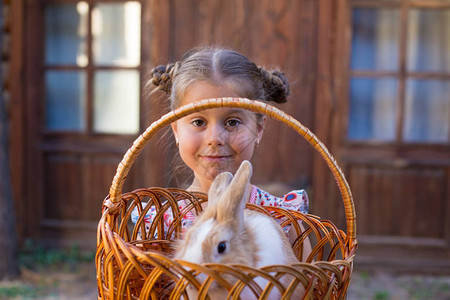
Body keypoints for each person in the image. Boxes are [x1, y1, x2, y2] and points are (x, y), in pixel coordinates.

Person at [132, 47, 309, 256]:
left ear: (259, 129)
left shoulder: (283, 220)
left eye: (232, 122)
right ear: (176, 129)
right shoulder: (159, 225)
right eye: (198, 121)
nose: (215, 138)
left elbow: (306, 286)